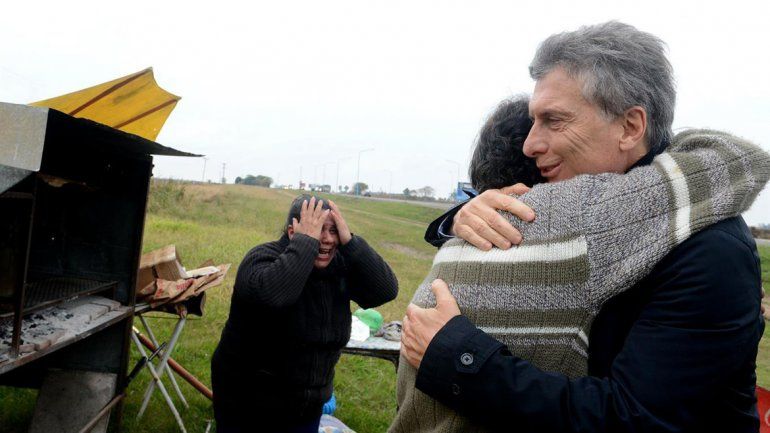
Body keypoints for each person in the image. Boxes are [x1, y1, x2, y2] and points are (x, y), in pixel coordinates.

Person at [402, 22, 768, 432]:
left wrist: (459, 357)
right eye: (532, 121)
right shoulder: (579, 204)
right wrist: (460, 218)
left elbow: (638, 420)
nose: (530, 144)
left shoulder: (709, 249)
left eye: (553, 121)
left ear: (630, 127)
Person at [212, 195, 398, 433]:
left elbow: (385, 290)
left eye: (333, 230)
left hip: (307, 405)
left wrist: (351, 243)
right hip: (248, 402)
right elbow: (275, 296)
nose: (328, 239)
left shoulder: (338, 266)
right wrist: (305, 243)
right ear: (293, 232)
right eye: (318, 229)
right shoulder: (260, 259)